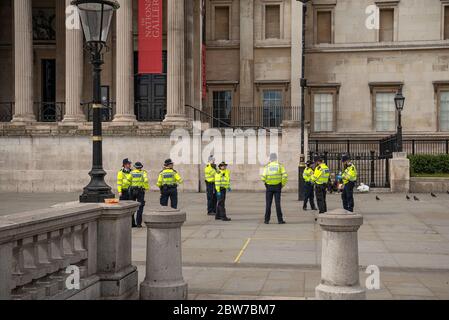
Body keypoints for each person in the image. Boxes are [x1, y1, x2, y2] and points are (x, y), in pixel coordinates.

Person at [261, 153, 288, 224]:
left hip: (269, 187)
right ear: (276, 158)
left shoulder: (267, 166)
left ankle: (266, 220)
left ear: (270, 158)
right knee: (278, 204)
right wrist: (282, 184)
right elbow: (285, 176)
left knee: (268, 204)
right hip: (277, 186)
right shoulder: (280, 165)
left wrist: (266, 184)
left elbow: (263, 177)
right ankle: (280, 220)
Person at [129, 162, 149, 228]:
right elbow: (146, 180)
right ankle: (138, 223)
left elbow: (128, 181)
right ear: (141, 167)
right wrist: (146, 188)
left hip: (132, 191)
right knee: (140, 207)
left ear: (135, 167)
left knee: (132, 207)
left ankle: (132, 223)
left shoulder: (132, 173)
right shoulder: (143, 173)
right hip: (140, 191)